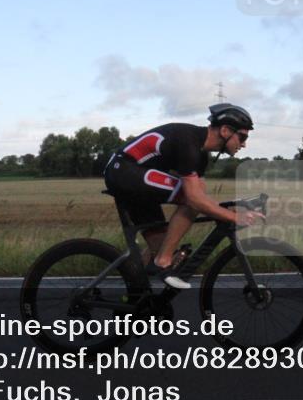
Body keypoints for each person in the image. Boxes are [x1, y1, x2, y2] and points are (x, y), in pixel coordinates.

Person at [103, 103, 265, 289]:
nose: (244, 144)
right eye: (242, 137)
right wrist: (234, 217)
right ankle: (163, 262)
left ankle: (135, 296)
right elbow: (195, 199)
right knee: (189, 199)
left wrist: (225, 209)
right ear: (225, 130)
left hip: (137, 175)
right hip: (124, 171)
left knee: (161, 244)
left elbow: (201, 194)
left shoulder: (201, 155)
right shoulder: (189, 143)